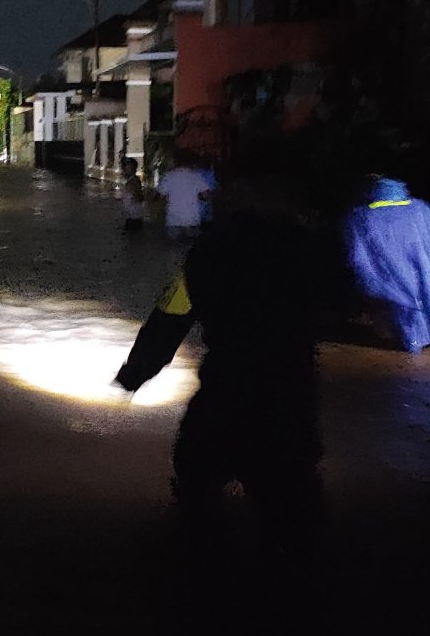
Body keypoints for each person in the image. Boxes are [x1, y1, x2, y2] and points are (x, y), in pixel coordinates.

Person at [114, 173, 336, 567]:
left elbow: (169, 319)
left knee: (196, 488)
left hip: (227, 390)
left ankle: (203, 589)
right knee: (294, 511)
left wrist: (135, 373)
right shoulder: (313, 250)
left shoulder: (212, 251)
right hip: (292, 394)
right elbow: (340, 305)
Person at [342, 176, 430, 354]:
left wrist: (372, 280)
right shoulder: (421, 209)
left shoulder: (361, 216)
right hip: (428, 276)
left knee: (403, 312)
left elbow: (358, 258)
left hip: (394, 279)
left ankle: (412, 344)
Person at [155, 152, 214, 239]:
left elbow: (160, 197)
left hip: (174, 219)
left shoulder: (169, 176)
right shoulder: (197, 176)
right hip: (192, 219)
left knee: (174, 250)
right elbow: (206, 196)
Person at [120, 157, 146, 233]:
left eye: (127, 169)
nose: (124, 171)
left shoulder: (134, 182)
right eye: (125, 168)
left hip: (134, 220)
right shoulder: (131, 182)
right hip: (132, 218)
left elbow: (139, 197)